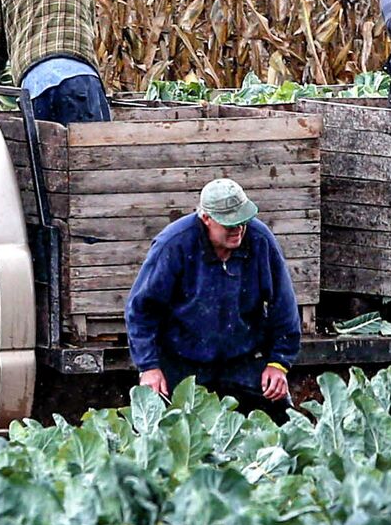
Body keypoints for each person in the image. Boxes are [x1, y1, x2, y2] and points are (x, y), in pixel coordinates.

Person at [125, 178, 303, 417]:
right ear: (206, 218)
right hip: (181, 360)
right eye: (229, 224)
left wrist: (279, 363)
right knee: (160, 432)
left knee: (284, 424)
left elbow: (284, 306)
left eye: (243, 221)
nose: (238, 228)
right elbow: (141, 310)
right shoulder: (174, 244)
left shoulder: (260, 240)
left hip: (242, 359)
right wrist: (148, 367)